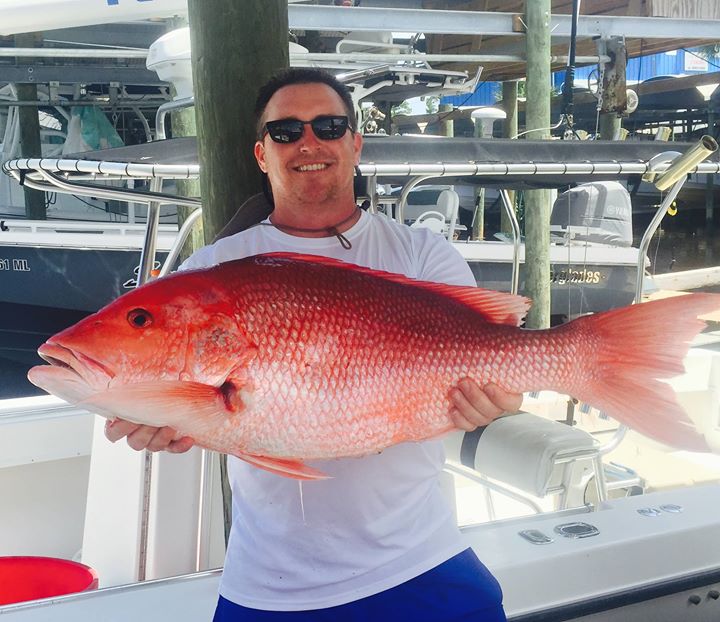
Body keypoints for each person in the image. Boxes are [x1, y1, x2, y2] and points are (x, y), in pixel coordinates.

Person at [106, 68, 522, 620]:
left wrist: (500, 398)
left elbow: (486, 359)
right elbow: (181, 389)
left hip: (421, 559)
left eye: (328, 126)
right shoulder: (211, 268)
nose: (309, 143)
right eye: (285, 131)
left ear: (355, 142)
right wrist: (150, 415)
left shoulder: (425, 255)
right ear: (261, 154)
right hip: (271, 584)